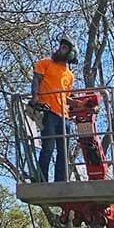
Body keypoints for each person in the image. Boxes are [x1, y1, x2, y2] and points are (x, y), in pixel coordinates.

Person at [30, 37, 77, 181]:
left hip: (64, 116)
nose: (60, 49)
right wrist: (35, 97)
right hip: (48, 111)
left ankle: (61, 180)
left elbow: (66, 97)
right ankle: (40, 179)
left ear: (71, 54)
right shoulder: (46, 63)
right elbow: (36, 79)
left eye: (64, 48)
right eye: (60, 47)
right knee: (48, 147)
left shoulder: (70, 75)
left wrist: (81, 104)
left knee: (63, 151)